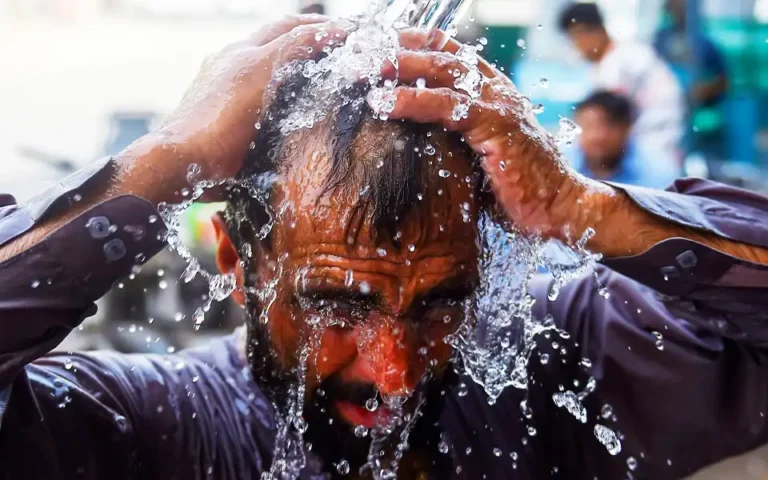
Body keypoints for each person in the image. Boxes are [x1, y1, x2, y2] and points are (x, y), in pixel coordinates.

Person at [2, 14, 768, 480]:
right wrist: (169, 160)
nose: (396, 373)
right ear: (239, 262)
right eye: (338, 306)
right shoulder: (152, 426)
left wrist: (585, 209)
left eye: (440, 305)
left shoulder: (547, 371)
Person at [559, 2, 685, 163]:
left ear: (596, 31)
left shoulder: (626, 60)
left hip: (657, 140)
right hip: (650, 141)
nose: (576, 45)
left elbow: (606, 116)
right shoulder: (610, 61)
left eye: (577, 36)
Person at [654, 0, 729, 158]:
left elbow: (722, 80)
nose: (679, 9)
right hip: (666, 115)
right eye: (675, 5)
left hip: (698, 118)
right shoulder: (660, 40)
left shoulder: (704, 43)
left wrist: (704, 91)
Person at [567, 90, 679, 188]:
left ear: (627, 128)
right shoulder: (564, 164)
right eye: (588, 126)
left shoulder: (658, 172)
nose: (597, 136)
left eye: (608, 126)